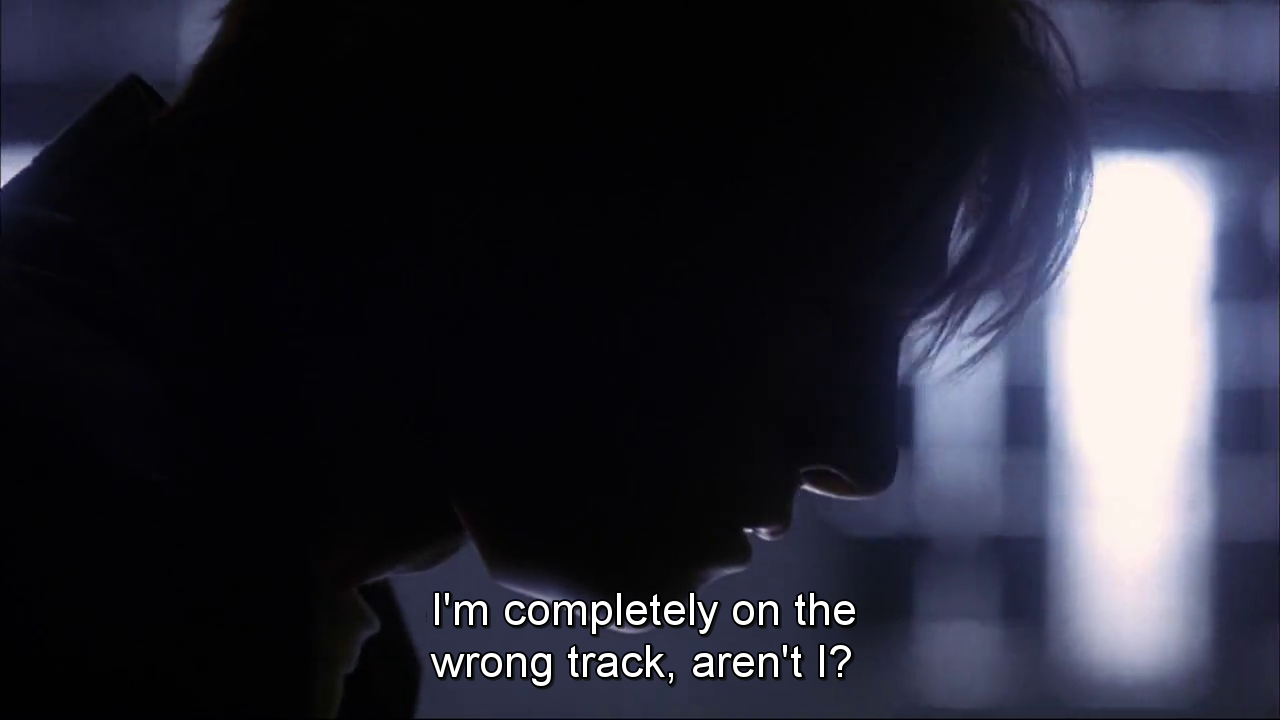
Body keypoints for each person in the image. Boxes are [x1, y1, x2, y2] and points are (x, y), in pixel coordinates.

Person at [1, 1, 1091, 716]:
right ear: (514, 164)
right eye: (814, 313)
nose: (861, 456)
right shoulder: (86, 566)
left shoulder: (236, 578)